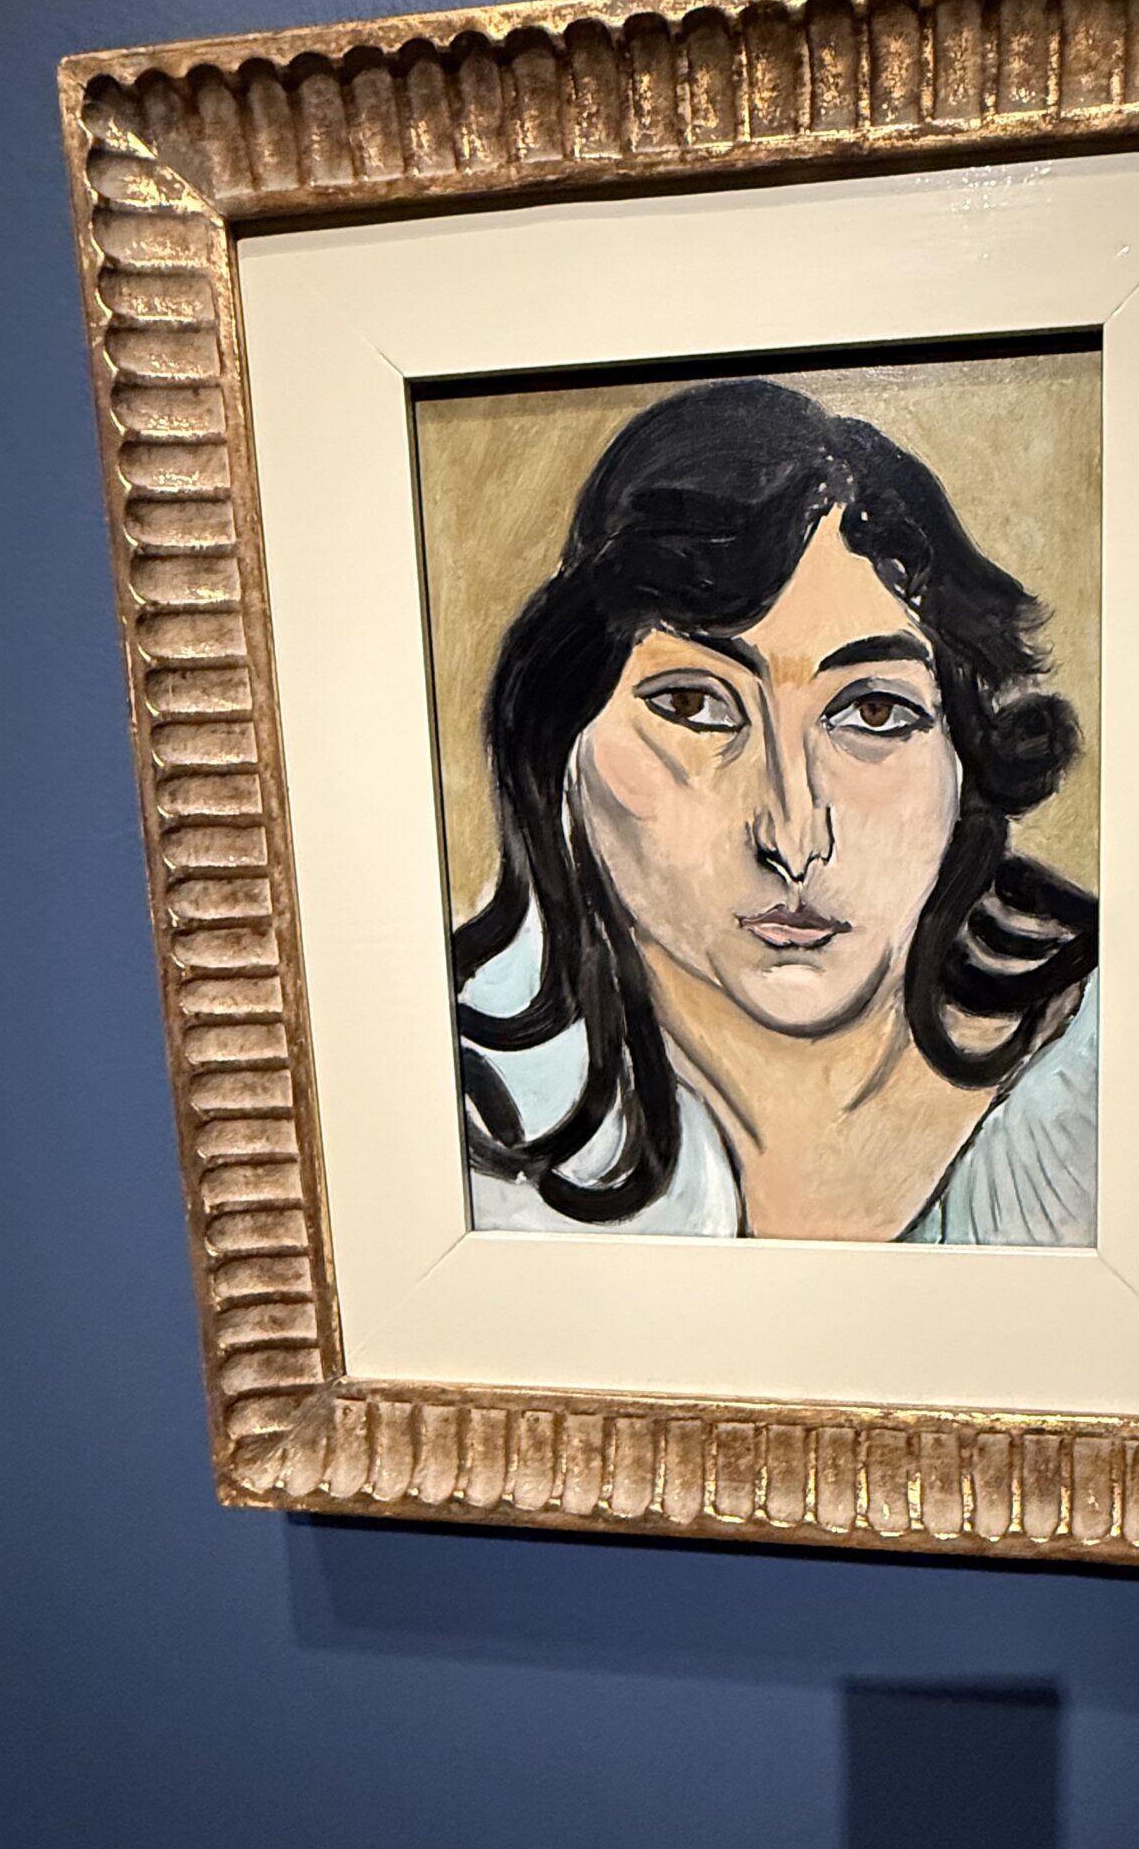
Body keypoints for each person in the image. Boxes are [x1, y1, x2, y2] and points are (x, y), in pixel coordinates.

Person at [451, 377, 1098, 1245]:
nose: (793, 838)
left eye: (875, 713)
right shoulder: (461, 1102)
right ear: (559, 743)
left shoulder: (1110, 1072)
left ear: (968, 758)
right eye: (693, 705)